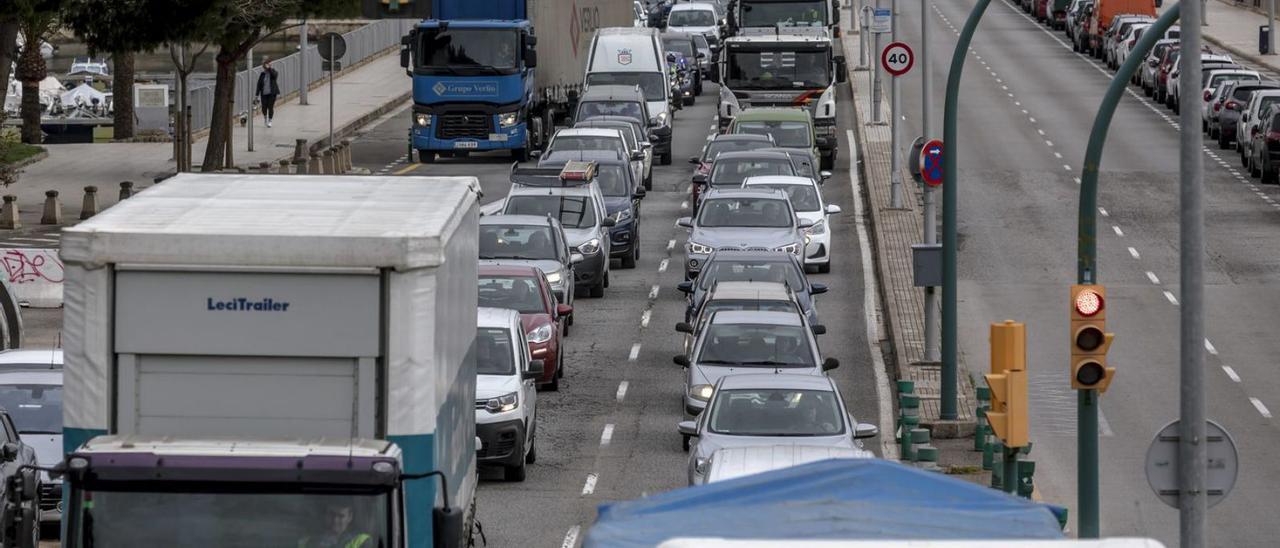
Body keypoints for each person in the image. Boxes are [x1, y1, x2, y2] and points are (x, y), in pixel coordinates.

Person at [299, 503, 372, 548]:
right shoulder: (308, 541)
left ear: (350, 517)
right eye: (331, 514)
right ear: (325, 514)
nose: (335, 520)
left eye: (341, 516)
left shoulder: (362, 541)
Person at [256, 58, 280, 128]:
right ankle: (265, 117)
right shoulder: (262, 74)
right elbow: (259, 85)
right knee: (264, 107)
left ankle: (270, 120)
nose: (267, 66)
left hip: (272, 93)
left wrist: (269, 68)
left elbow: (274, 76)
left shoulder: (273, 71)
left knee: (270, 107)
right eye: (265, 65)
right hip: (264, 94)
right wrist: (256, 95)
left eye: (269, 64)